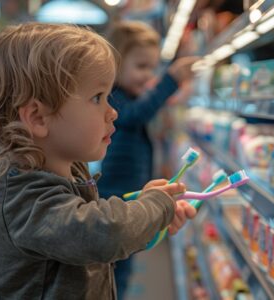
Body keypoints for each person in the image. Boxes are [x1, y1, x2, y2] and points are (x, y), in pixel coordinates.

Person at [0, 23, 197, 299]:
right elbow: (102, 236)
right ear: (39, 118)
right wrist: (155, 207)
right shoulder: (26, 197)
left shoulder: (71, 173)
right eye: (98, 98)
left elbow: (88, 249)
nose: (113, 112)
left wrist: (149, 221)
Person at [98, 21, 199, 299]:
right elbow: (137, 114)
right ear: (117, 64)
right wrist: (170, 81)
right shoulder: (115, 99)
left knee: (125, 260)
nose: (148, 75)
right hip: (116, 196)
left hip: (128, 194)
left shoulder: (129, 95)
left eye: (152, 68)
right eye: (141, 67)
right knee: (117, 266)